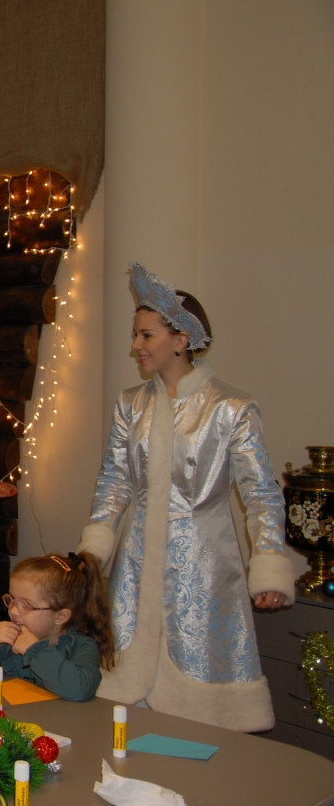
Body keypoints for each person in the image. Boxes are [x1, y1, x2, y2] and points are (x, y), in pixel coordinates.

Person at [78, 262, 302, 731]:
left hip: (204, 565)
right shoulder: (130, 404)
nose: (136, 346)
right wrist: (95, 547)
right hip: (136, 565)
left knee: (200, 699)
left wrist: (268, 562)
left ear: (181, 339)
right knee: (125, 691)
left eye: (146, 335)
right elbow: (114, 480)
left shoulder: (231, 408)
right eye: (135, 335)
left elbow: (261, 493)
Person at [0, 552, 112, 701]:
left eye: (26, 605)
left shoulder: (82, 646)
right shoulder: (11, 636)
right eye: (12, 599)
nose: (13, 611)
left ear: (60, 616)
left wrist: (35, 651)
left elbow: (80, 689)